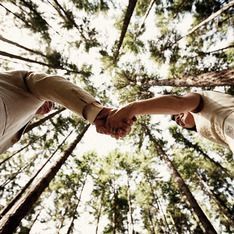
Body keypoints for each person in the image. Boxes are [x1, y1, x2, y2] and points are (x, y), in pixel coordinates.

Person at [0, 70, 132, 154]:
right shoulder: (22, 83)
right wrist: (96, 113)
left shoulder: (21, 122)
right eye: (50, 101)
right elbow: (49, 85)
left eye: (52, 107)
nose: (49, 108)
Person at [106, 91, 234, 153]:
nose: (178, 119)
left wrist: (131, 109)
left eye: (178, 115)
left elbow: (179, 103)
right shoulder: (203, 129)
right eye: (177, 121)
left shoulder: (198, 98)